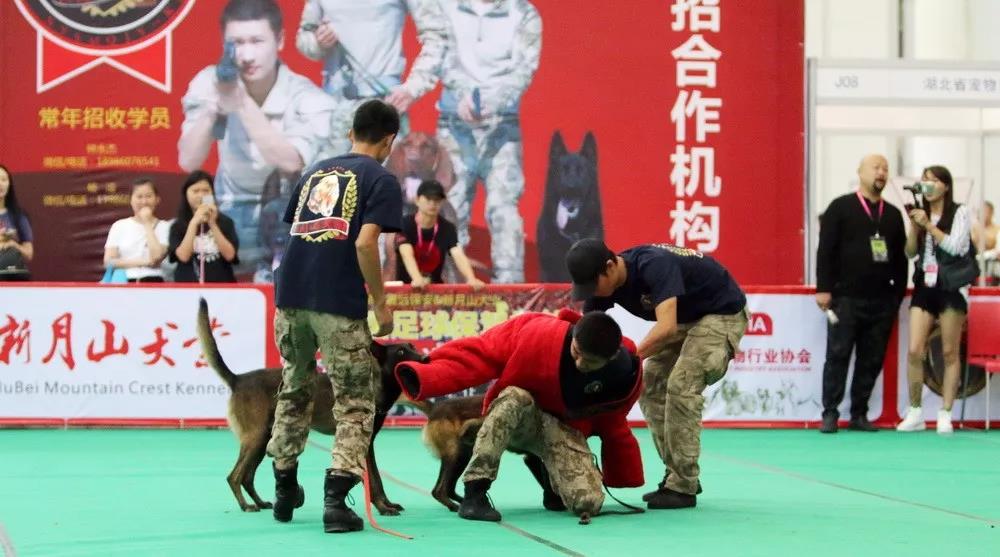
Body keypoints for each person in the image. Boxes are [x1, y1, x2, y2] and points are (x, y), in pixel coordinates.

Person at [266, 100, 402, 534]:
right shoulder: (381, 178)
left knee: (294, 387)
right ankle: (336, 499)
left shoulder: (315, 172)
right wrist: (380, 301)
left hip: (290, 298)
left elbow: (297, 232)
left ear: (350, 133)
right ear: (389, 141)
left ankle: (284, 487)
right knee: (355, 401)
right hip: (336, 303)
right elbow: (364, 244)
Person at [395, 309, 644, 522]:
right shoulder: (538, 334)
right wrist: (425, 372)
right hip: (524, 418)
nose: (579, 363)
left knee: (588, 503)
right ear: (574, 335)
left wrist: (623, 472)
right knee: (513, 396)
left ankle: (552, 491)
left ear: (611, 358)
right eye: (576, 352)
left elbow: (613, 424)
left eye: (589, 362)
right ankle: (475, 492)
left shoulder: (622, 375)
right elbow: (480, 351)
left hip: (563, 430)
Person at [567, 239, 748, 510]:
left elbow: (666, 328)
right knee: (650, 384)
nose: (591, 293)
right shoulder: (603, 284)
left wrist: (625, 361)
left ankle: (683, 485)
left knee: (681, 384)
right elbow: (586, 335)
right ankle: (677, 473)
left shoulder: (653, 265)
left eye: (593, 285)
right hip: (686, 318)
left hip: (721, 313)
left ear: (610, 266)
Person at [178, 0, 337, 283]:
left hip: (286, 218)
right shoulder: (210, 82)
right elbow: (188, 160)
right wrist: (212, 109)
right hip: (226, 213)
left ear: (279, 40)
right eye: (236, 43)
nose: (247, 55)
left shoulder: (306, 96)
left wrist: (241, 103)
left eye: (256, 41)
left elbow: (290, 161)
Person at [400, 0, 543, 283]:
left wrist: (490, 102)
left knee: (504, 210)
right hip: (455, 125)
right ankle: (449, 290)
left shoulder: (523, 13)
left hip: (502, 126)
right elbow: (439, 53)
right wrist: (464, 94)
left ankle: (510, 292)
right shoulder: (446, 7)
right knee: (449, 208)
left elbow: (524, 69)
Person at [815, 154, 907, 433]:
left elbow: (901, 259)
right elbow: (825, 250)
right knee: (838, 355)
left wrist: (897, 295)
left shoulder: (893, 215)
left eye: (885, 169)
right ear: (860, 172)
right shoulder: (840, 207)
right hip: (845, 297)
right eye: (875, 167)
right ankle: (830, 412)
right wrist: (823, 289)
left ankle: (859, 413)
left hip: (882, 300)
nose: (881, 173)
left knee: (872, 359)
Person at [296, 0, 445, 155]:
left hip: (383, 107)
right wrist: (318, 42)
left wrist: (413, 88)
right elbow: (305, 36)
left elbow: (437, 36)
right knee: (326, 170)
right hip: (334, 112)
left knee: (383, 171)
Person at [897, 165, 974, 435]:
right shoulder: (920, 212)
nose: (927, 185)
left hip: (951, 286)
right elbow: (909, 253)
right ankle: (915, 411)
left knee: (950, 351)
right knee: (914, 350)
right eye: (924, 180)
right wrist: (914, 227)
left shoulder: (960, 212)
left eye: (933, 181)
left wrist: (929, 226)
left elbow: (955, 247)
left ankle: (946, 412)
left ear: (946, 186)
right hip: (924, 286)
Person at [396, 180, 485, 288]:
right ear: (417, 200)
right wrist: (417, 278)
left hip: (435, 290)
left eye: (437, 200)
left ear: (442, 202)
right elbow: (406, 253)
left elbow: (457, 254)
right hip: (405, 289)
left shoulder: (447, 228)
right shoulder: (405, 224)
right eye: (428, 199)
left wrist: (471, 279)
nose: (433, 204)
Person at [168, 170, 240, 283]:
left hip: (222, 285)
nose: (201, 195)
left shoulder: (226, 222)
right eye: (195, 191)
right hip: (188, 285)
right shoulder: (177, 226)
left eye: (206, 191)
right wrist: (194, 223)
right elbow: (183, 256)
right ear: (186, 194)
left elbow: (230, 255)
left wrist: (212, 223)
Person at [103, 179, 170, 283]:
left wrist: (147, 222)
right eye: (139, 197)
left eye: (148, 196)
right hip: (124, 281)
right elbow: (109, 261)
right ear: (131, 200)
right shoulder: (119, 226)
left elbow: (156, 257)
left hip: (153, 281)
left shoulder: (165, 226)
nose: (144, 202)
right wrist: (145, 262)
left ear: (157, 199)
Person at [0, 165, 34, 281]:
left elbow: (29, 254)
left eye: (4, 179)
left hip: (12, 279)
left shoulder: (18, 216)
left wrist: (13, 245)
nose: (0, 184)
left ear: (9, 184)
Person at [972, 201, 999, 284]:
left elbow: (993, 247)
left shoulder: (997, 229)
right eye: (980, 211)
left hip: (993, 266)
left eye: (985, 211)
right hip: (976, 264)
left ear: (991, 213)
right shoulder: (974, 228)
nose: (983, 214)